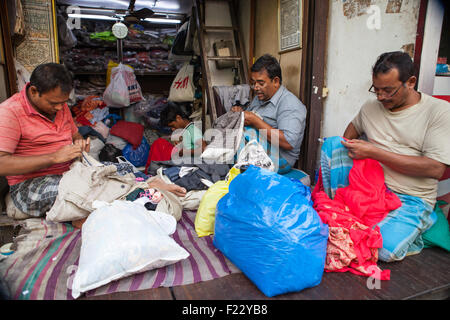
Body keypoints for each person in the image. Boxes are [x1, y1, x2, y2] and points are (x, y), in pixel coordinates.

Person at [0, 63, 186, 228]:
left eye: (63, 103)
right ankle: (139, 193)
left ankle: (146, 184)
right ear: (33, 91)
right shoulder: (10, 112)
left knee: (119, 168)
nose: (59, 108)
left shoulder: (61, 106)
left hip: (72, 171)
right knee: (79, 189)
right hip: (31, 184)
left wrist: (79, 142)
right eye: (53, 103)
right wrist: (53, 158)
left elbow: (75, 134)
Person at [335, 51, 450, 262]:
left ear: (411, 82)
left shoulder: (439, 112)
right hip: (372, 190)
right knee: (337, 231)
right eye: (376, 90)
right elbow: (348, 135)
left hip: (411, 198)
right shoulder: (371, 107)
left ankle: (426, 221)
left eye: (388, 90)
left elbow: (435, 169)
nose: (380, 97)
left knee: (382, 250)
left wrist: (374, 152)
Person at [231, 54, 307, 173]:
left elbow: (288, 142)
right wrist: (241, 114)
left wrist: (255, 121)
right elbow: (250, 117)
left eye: (261, 83)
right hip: (261, 150)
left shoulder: (290, 104)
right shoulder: (260, 98)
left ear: (275, 81)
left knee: (245, 134)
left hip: (281, 159)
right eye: (254, 83)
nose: (256, 87)